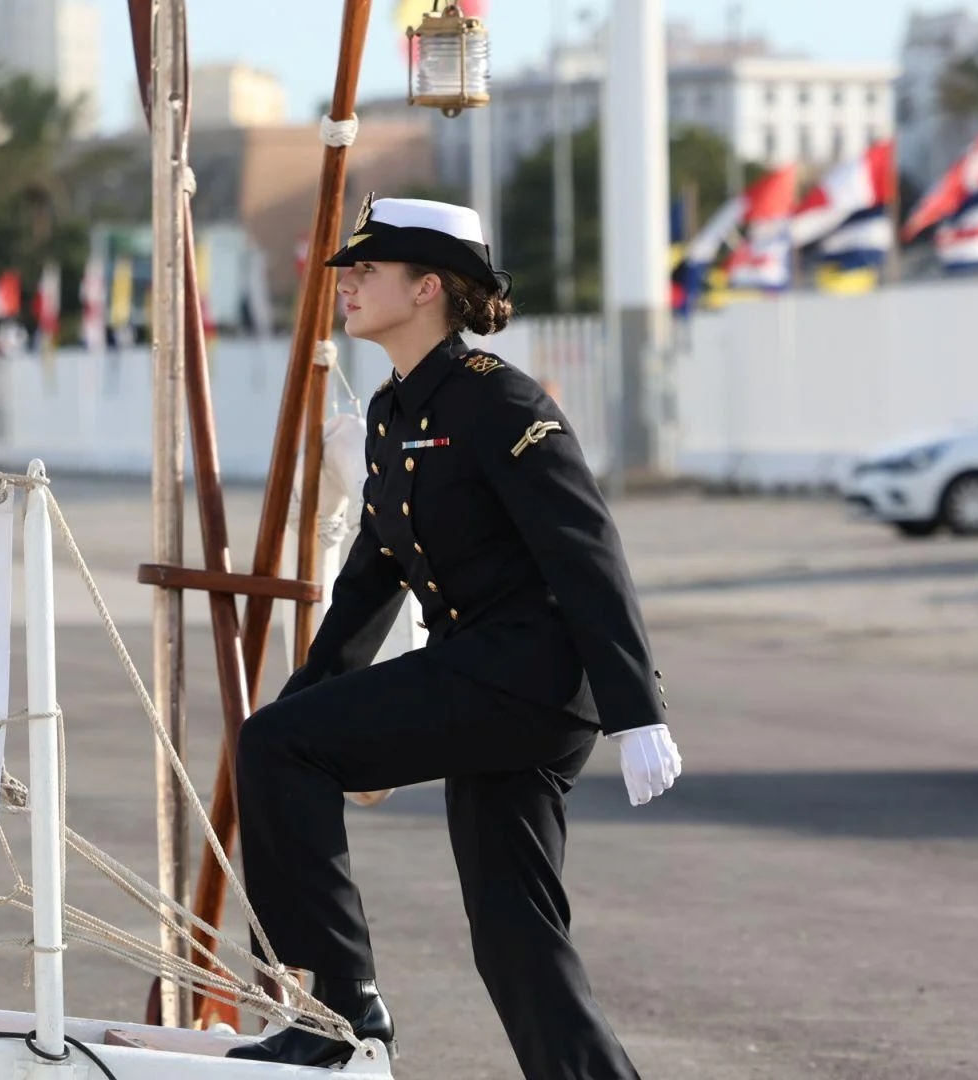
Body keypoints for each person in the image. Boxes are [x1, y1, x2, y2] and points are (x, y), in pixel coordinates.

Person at [228, 195, 681, 1077]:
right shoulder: (397, 413)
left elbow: (586, 553)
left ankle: (338, 1005)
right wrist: (308, 699)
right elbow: (369, 579)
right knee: (515, 939)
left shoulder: (499, 402)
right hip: (485, 678)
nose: (347, 284)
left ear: (427, 287)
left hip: (527, 677)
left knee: (278, 748)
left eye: (368, 270)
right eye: (348, 271)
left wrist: (638, 710)